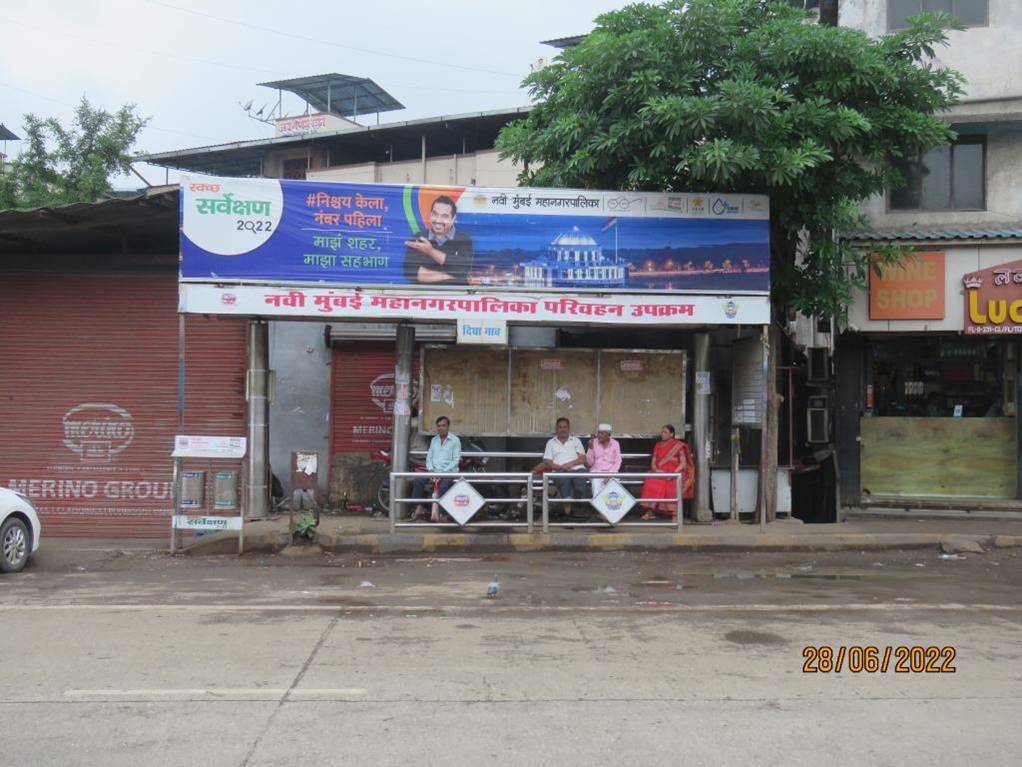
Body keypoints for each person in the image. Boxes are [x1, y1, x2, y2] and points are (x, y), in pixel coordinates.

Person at [402, 195, 474, 284]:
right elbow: (410, 271)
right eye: (435, 214)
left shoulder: (464, 240)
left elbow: (463, 270)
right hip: (423, 295)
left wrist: (430, 251)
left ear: (453, 218)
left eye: (444, 216)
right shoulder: (419, 238)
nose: (438, 220)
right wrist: (449, 276)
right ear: (430, 214)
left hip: (455, 295)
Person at [532, 417, 589, 519]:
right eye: (560, 427)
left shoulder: (576, 441)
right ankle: (568, 514)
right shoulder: (551, 443)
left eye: (565, 427)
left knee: (580, 482)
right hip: (559, 471)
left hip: (577, 469)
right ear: (556, 429)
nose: (562, 429)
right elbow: (547, 462)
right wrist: (561, 468)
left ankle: (576, 506)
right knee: (564, 483)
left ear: (569, 428)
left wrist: (569, 465)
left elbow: (583, 459)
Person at [409, 416, 461, 521]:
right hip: (433, 472)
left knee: (443, 487)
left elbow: (456, 460)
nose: (441, 428)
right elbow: (429, 457)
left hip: (449, 472)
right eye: (439, 426)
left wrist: (443, 473)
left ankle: (444, 515)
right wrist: (431, 470)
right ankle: (419, 508)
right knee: (418, 481)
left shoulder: (455, 441)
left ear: (448, 426)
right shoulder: (434, 440)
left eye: (443, 425)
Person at [639, 424, 694, 520]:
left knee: (672, 486)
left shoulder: (678, 445)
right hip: (660, 472)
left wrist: (673, 474)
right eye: (662, 432)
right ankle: (651, 511)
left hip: (675, 472)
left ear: (671, 434)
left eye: (665, 432)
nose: (662, 434)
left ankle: (675, 514)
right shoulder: (657, 445)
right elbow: (653, 462)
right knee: (651, 481)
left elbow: (683, 463)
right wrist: (657, 470)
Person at [586, 423, 621, 496]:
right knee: (597, 492)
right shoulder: (593, 442)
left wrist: (609, 475)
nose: (599, 435)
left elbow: (618, 461)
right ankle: (598, 506)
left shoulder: (615, 443)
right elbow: (589, 463)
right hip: (596, 472)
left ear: (608, 435)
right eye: (598, 433)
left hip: (612, 472)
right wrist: (590, 449)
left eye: (602, 433)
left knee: (612, 493)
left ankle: (609, 507)